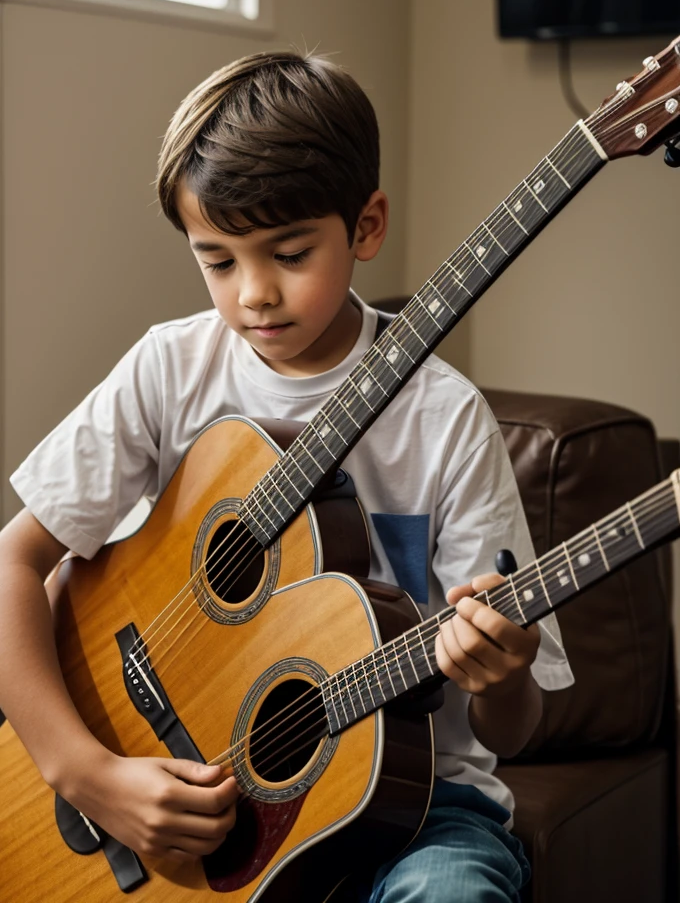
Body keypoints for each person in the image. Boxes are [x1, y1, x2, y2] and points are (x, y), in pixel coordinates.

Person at [0, 50, 573, 901]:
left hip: (422, 810)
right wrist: (88, 774)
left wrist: (504, 669)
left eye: (290, 252)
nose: (254, 294)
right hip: (208, 795)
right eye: (218, 260)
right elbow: (16, 564)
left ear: (367, 226)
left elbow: (514, 730)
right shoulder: (170, 370)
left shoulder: (445, 420)